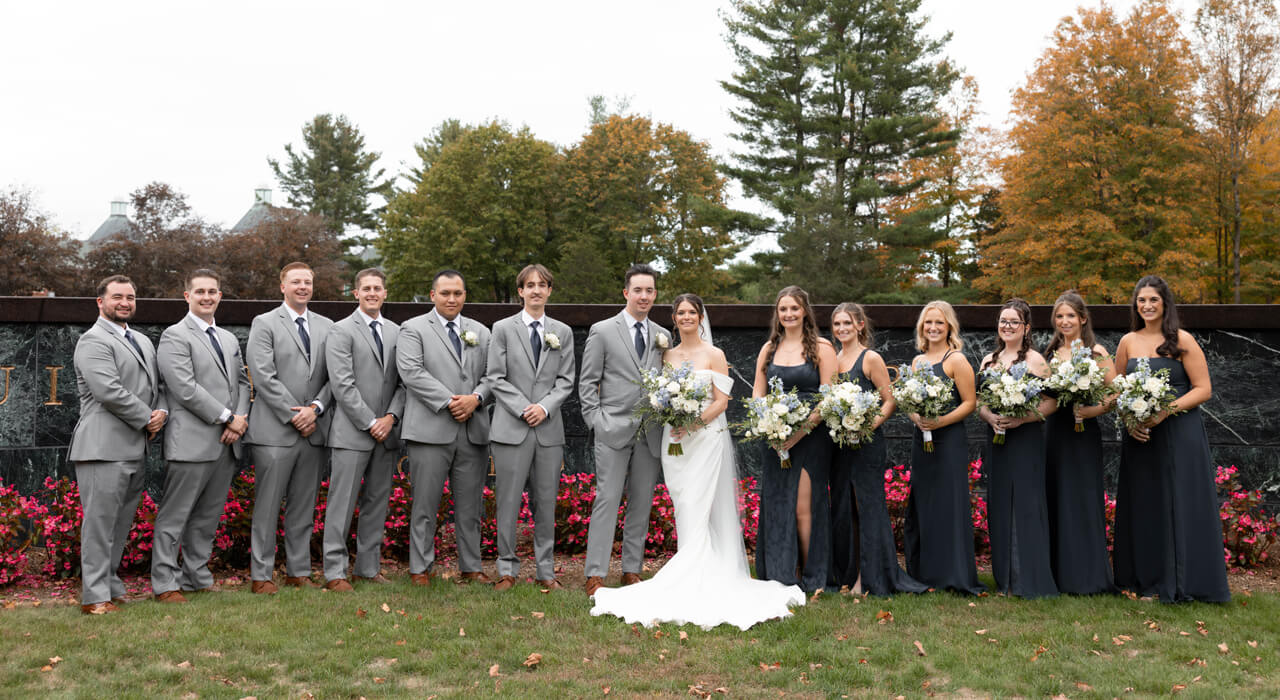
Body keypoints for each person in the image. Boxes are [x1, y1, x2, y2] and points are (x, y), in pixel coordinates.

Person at [591, 294, 804, 629]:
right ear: (674, 318)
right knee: (683, 503)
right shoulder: (667, 355)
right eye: (681, 313)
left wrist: (693, 422)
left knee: (697, 503)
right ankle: (693, 565)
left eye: (692, 312)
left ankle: (697, 575)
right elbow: (658, 396)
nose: (686, 317)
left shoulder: (714, 354)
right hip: (674, 442)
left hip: (705, 439)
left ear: (701, 316)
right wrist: (672, 416)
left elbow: (722, 401)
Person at [1112, 275, 1230, 603]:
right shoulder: (1128, 342)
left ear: (1165, 303)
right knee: (1145, 503)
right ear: (1135, 305)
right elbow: (1117, 390)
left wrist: (1165, 411)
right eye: (1141, 300)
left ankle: (1184, 580)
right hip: (1141, 436)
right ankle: (1144, 580)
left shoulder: (1182, 339)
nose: (1147, 306)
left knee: (1181, 501)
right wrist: (1128, 419)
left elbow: (1203, 388)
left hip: (1179, 431)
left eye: (1153, 300)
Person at [70, 275, 167, 614]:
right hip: (102, 447)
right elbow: (108, 390)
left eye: (130, 296)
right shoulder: (92, 340)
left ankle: (109, 584)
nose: (125, 302)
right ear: (101, 302)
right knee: (99, 525)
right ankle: (95, 598)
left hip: (134, 447)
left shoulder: (141, 340)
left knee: (119, 524)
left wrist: (162, 412)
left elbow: (157, 386)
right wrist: (147, 418)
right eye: (117, 297)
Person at [151, 269, 249, 603]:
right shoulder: (175, 336)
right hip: (192, 442)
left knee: (208, 516)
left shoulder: (229, 339)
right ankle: (165, 583)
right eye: (200, 292)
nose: (207, 297)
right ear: (187, 296)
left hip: (226, 442)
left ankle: (196, 575)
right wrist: (228, 418)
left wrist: (240, 418)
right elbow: (184, 388)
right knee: (174, 517)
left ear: (220, 295)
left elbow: (243, 383)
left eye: (213, 291)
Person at [397, 269, 493, 585]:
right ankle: (420, 568)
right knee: (425, 505)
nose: (452, 299)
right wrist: (452, 401)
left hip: (472, 430)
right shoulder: (413, 329)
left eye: (458, 293)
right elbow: (412, 372)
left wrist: (476, 398)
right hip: (430, 430)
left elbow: (494, 375)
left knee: (470, 506)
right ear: (432, 295)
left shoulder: (481, 331)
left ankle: (471, 566)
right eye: (446, 293)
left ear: (464, 296)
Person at [579, 264, 669, 596]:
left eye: (649, 291)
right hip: (612, 429)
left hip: (650, 433)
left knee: (642, 502)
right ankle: (595, 573)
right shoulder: (603, 331)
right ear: (626, 292)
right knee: (607, 499)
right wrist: (597, 423)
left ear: (655, 294)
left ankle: (632, 570)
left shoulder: (663, 335)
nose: (643, 296)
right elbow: (588, 383)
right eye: (638, 290)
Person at [245, 262, 333, 593]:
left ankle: (298, 571)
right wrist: (295, 414)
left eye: (307, 282)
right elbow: (263, 374)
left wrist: (316, 409)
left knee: (303, 506)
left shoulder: (327, 326)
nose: (302, 287)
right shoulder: (264, 323)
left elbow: (335, 376)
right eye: (295, 281)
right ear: (282, 286)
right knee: (267, 507)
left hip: (315, 430)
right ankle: (261, 575)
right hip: (275, 432)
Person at [486, 264, 575, 591]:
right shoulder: (502, 329)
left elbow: (566, 380)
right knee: (507, 501)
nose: (536, 290)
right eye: (530, 285)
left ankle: (546, 571)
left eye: (542, 285)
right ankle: (507, 570)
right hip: (511, 428)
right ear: (520, 291)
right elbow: (495, 376)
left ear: (550, 290)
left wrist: (544, 407)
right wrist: (525, 407)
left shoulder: (562, 332)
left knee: (546, 502)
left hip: (548, 430)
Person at [827, 303, 927, 597]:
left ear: (859, 325)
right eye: (836, 324)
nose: (842, 329)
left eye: (847, 323)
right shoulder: (833, 359)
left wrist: (868, 425)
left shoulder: (870, 358)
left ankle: (868, 578)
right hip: (841, 444)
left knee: (866, 507)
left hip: (867, 443)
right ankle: (850, 571)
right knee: (846, 508)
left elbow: (889, 399)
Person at [321, 268, 405, 590]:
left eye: (378, 288)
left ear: (385, 293)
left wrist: (391, 418)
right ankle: (335, 572)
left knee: (377, 503)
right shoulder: (341, 331)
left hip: (387, 432)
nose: (372, 293)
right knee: (341, 505)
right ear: (355, 293)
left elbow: (404, 383)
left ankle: (367, 568)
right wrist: (371, 422)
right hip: (352, 433)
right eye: (366, 288)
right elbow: (342, 385)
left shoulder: (399, 332)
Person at [751, 286, 836, 594]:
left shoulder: (822, 348)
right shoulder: (768, 349)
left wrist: (800, 431)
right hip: (775, 438)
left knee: (804, 505)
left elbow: (828, 397)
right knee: (776, 502)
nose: (788, 314)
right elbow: (758, 395)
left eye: (794, 309)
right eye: (783, 309)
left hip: (811, 437)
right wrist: (769, 426)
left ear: (805, 312)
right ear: (778, 314)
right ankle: (780, 572)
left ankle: (812, 576)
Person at [976, 299, 1058, 599]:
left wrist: (1022, 418)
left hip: (1026, 439)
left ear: (1026, 328)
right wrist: (990, 416)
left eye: (1013, 321)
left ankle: (1028, 577)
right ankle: (1005, 578)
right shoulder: (988, 360)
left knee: (1025, 503)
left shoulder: (1036, 361)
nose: (1007, 326)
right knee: (999, 502)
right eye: (1003, 321)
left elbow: (1052, 401)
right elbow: (980, 401)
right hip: (997, 439)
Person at [902, 301, 985, 595]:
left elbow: (970, 403)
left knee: (948, 504)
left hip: (948, 440)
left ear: (949, 326)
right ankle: (924, 573)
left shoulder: (956, 360)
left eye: (939, 322)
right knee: (925, 503)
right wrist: (917, 417)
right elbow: (909, 402)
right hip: (921, 440)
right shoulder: (917, 362)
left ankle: (953, 573)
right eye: (928, 323)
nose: (933, 328)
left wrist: (939, 422)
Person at [1043, 291, 1116, 595]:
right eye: (1060, 316)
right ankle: (1058, 574)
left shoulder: (1096, 351)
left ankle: (1087, 576)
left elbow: (1116, 392)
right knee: (1055, 496)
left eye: (1070, 315)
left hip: (1083, 432)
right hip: (1053, 433)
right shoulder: (1049, 352)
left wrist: (1091, 410)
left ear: (1083, 318)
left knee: (1081, 498)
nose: (1064, 321)